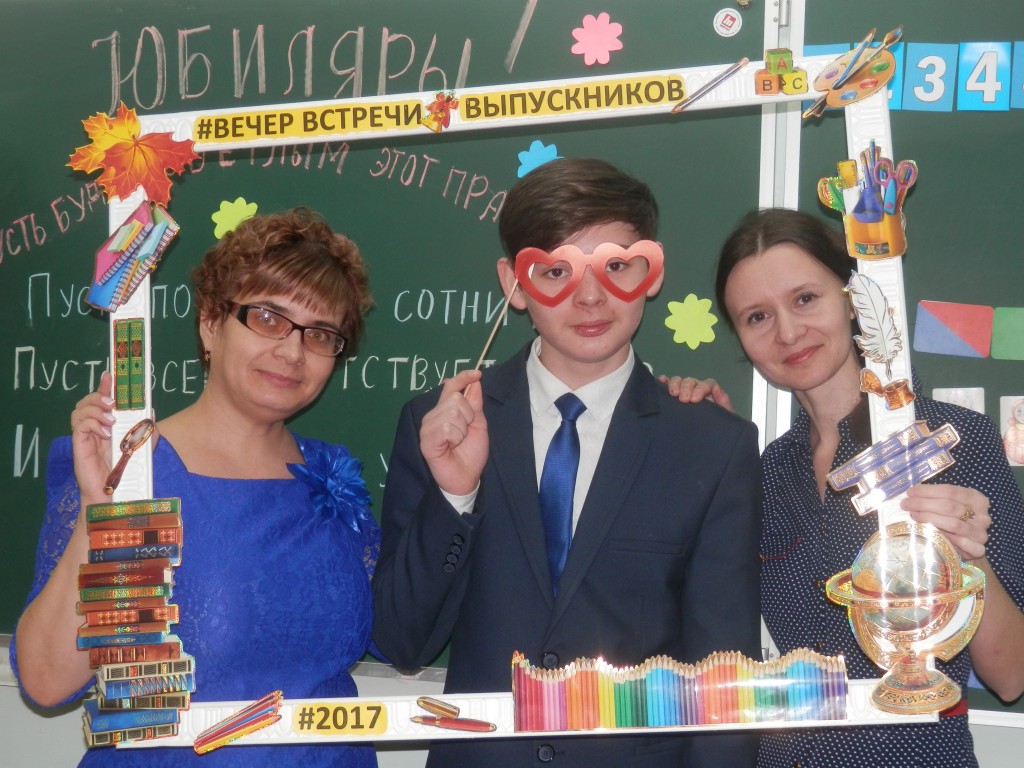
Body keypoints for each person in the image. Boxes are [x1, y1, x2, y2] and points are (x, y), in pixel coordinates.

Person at [372, 157, 764, 767]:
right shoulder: (442, 424)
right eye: (556, 270)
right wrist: (454, 497)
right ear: (513, 283)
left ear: (652, 272)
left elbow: (724, 680)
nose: (589, 296)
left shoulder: (712, 445)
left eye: (616, 265)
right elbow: (402, 642)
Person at [12, 208, 380, 767]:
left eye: (321, 334)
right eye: (268, 317)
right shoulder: (134, 470)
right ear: (211, 322)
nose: (292, 352)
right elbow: (47, 681)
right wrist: (99, 510)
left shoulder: (332, 477)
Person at [667, 207, 1024, 767]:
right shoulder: (764, 472)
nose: (788, 332)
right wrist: (698, 439)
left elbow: (1011, 675)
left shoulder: (951, 441)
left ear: (852, 299)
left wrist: (960, 555)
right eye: (757, 317)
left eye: (806, 299)